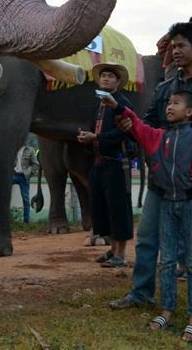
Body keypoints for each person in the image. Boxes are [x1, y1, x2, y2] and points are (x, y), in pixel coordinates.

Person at [110, 21, 192, 330]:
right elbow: (151, 124)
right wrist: (133, 129)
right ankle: (141, 293)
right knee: (149, 239)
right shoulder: (165, 88)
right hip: (163, 180)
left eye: (181, 46)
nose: (174, 51)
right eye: (172, 46)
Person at [101, 89, 192, 344]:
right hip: (167, 204)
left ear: (189, 112)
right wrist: (118, 107)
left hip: (191, 205)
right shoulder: (158, 137)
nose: (169, 107)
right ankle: (166, 312)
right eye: (168, 103)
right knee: (167, 260)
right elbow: (137, 125)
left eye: (176, 103)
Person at [77, 63, 134, 268]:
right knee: (103, 207)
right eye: (103, 76)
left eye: (110, 76)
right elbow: (95, 130)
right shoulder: (99, 105)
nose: (106, 79)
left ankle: (121, 253)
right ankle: (112, 250)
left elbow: (124, 132)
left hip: (117, 163)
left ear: (118, 82)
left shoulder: (122, 103)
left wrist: (96, 137)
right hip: (99, 163)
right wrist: (87, 137)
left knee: (119, 208)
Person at [12, 138, 39, 224]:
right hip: (13, 175)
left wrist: (29, 173)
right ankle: (4, 220)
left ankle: (26, 221)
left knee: (26, 199)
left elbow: (35, 164)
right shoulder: (13, 148)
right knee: (3, 195)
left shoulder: (30, 150)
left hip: (24, 177)